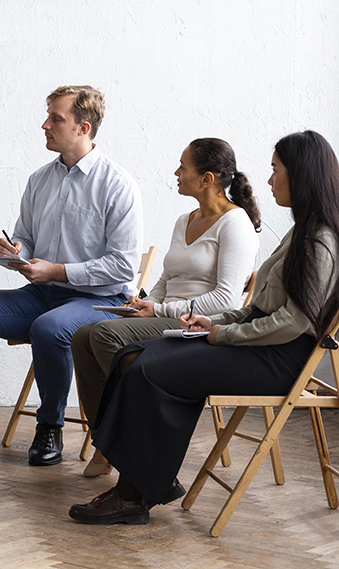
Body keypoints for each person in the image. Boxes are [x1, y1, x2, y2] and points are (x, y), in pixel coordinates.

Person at [68, 130, 339, 525]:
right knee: (132, 355)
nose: (268, 180)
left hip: (278, 360)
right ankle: (145, 480)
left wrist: (221, 333)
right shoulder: (303, 231)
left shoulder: (320, 240)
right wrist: (214, 322)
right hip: (262, 345)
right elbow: (260, 308)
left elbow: (292, 323)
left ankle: (131, 495)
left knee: (147, 368)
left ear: (301, 175)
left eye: (276, 170)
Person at [0, 85, 143, 466]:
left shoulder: (117, 184)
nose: (45, 125)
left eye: (56, 118)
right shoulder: (40, 179)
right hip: (43, 294)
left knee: (49, 327)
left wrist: (55, 270)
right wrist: (16, 250)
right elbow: (25, 236)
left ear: (83, 127)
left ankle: (50, 427)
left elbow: (123, 266)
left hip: (101, 301)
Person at [71, 138, 260, 478]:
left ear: (207, 179)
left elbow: (226, 300)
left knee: (102, 336)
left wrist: (160, 310)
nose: (176, 173)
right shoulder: (184, 220)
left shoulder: (236, 225)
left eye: (183, 167)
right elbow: (167, 278)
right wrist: (145, 301)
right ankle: (109, 442)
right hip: (167, 315)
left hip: (200, 324)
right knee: (82, 336)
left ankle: (127, 444)